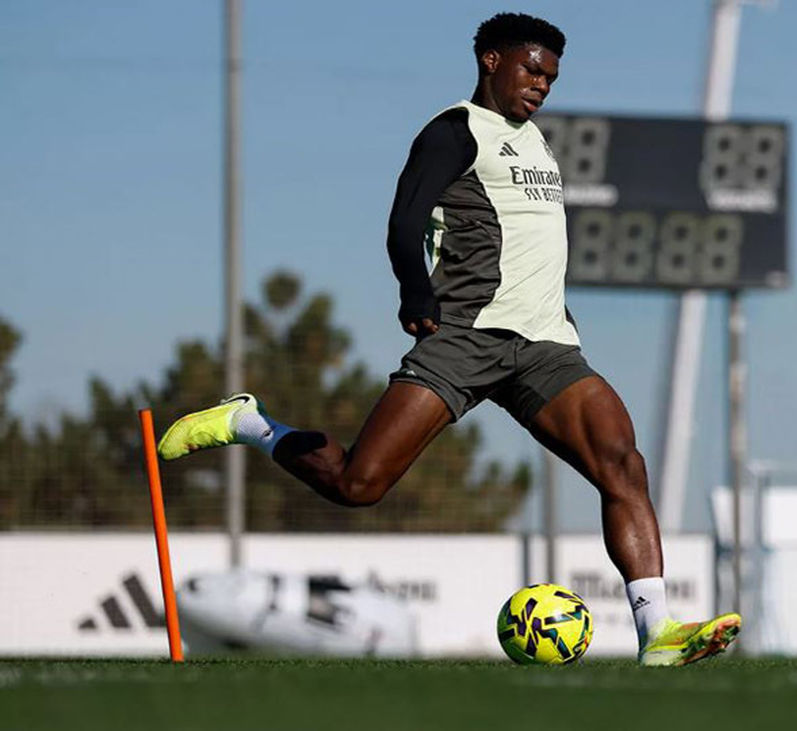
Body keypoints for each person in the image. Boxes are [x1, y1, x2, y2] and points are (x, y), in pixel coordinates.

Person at [157, 12, 740, 667]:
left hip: (545, 346)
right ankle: (254, 423)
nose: (541, 84)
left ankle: (655, 632)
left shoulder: (537, 141)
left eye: (550, 76)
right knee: (358, 483)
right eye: (531, 69)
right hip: (464, 337)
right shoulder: (453, 132)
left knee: (622, 462)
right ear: (491, 59)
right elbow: (404, 223)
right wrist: (414, 290)